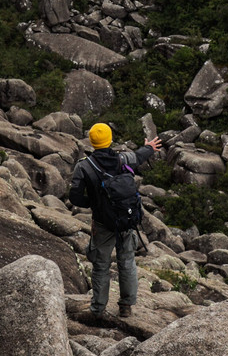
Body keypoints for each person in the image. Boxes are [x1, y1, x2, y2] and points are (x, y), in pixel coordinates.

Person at [69, 123, 162, 318]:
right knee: (127, 262)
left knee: (101, 265)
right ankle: (126, 306)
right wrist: (150, 147)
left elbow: (75, 198)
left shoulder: (84, 166)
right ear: (110, 140)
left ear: (92, 142)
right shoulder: (122, 159)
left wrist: (95, 203)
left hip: (103, 224)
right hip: (126, 220)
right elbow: (138, 157)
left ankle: (97, 309)